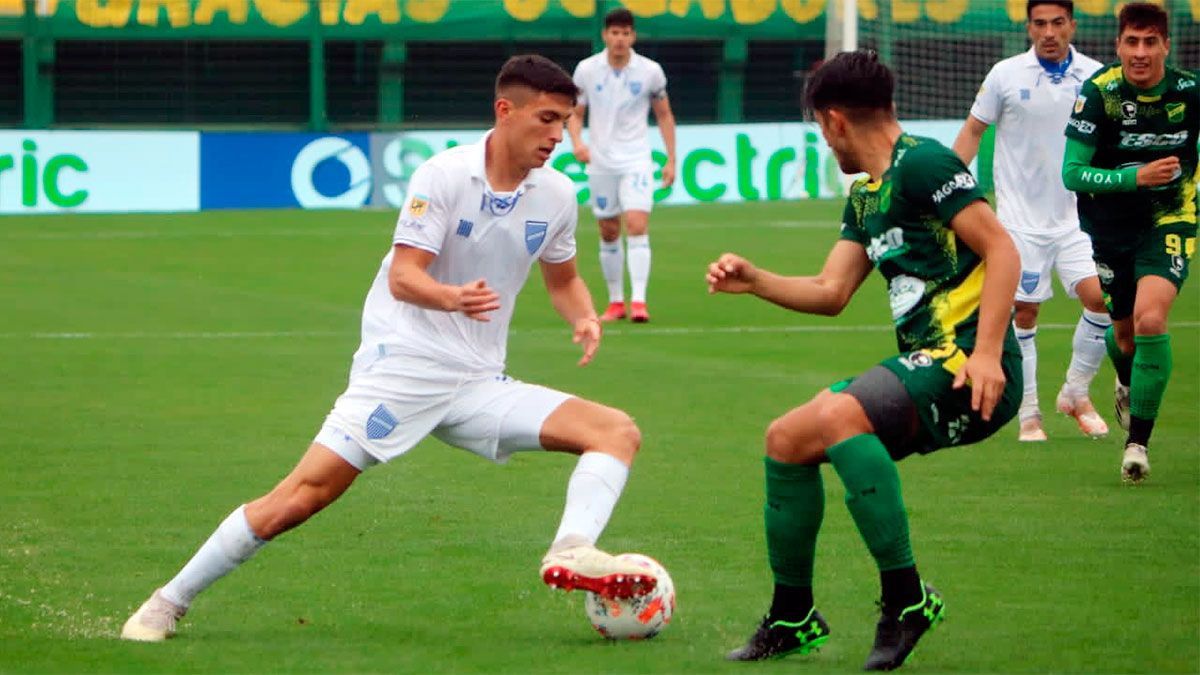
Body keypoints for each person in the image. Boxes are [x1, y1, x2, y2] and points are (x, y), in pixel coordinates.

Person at [121, 54, 657, 642]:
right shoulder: (445, 176)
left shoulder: (555, 194)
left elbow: (564, 280)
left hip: (480, 381)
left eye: (565, 121)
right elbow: (405, 276)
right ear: (505, 111)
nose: (558, 136)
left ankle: (571, 551)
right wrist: (453, 297)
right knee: (300, 497)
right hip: (403, 367)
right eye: (547, 119)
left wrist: (583, 317)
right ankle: (165, 603)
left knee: (615, 431)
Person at [711, 51, 1022, 670]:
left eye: (820, 131)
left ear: (833, 122)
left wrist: (988, 354)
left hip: (967, 365)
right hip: (928, 363)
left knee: (837, 417)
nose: (826, 143)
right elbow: (831, 293)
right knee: (786, 439)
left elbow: (1002, 248)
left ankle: (906, 600)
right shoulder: (866, 196)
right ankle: (793, 615)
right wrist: (757, 280)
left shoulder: (925, 162)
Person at [953, 0, 1110, 442]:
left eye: (1057, 23)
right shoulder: (1005, 74)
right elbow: (972, 131)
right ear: (1028, 28)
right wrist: (943, 184)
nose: (1049, 32)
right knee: (1024, 310)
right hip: (1020, 221)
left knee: (1102, 299)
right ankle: (1029, 412)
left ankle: (1076, 392)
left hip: (1079, 216)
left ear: (1071, 25)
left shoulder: (1097, 77)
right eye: (1040, 24)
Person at [1062, 2, 1197, 483]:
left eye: (1150, 42)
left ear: (1165, 45)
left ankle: (1137, 443)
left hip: (1170, 218)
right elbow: (1072, 173)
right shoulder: (1099, 93)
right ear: (1118, 46)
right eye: (1131, 42)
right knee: (1123, 338)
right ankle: (1125, 379)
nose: (1140, 53)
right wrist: (1136, 176)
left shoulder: (1189, 91)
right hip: (1111, 227)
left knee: (1151, 318)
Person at [569, 7, 677, 324]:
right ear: (605, 35)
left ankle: (639, 301)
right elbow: (575, 113)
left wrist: (671, 159)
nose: (619, 39)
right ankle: (616, 302)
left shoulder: (650, 71)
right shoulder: (587, 70)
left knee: (637, 225)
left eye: (625, 33)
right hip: (601, 161)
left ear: (633, 36)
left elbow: (664, 115)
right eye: (614, 33)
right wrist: (577, 142)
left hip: (636, 159)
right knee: (608, 229)